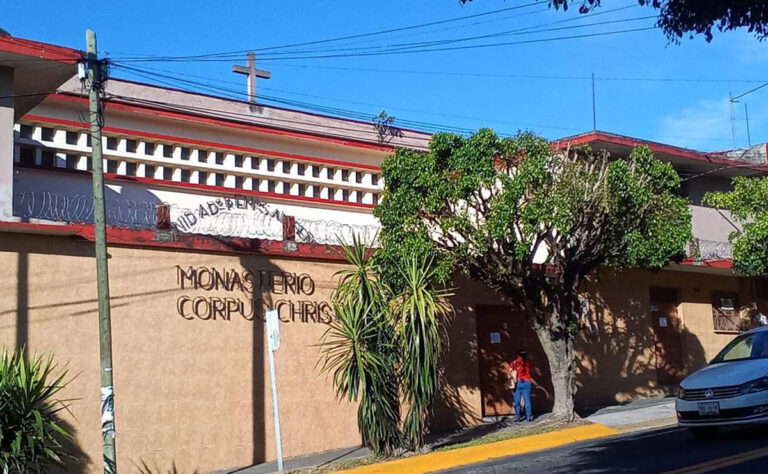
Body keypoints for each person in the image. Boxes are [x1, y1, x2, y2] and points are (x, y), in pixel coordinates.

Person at [509, 350, 534, 422]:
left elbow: (510, 372)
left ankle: (517, 417)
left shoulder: (514, 363)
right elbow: (530, 371)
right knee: (527, 401)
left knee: (517, 401)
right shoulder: (528, 363)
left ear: (518, 355)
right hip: (527, 382)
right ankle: (529, 417)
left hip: (517, 382)